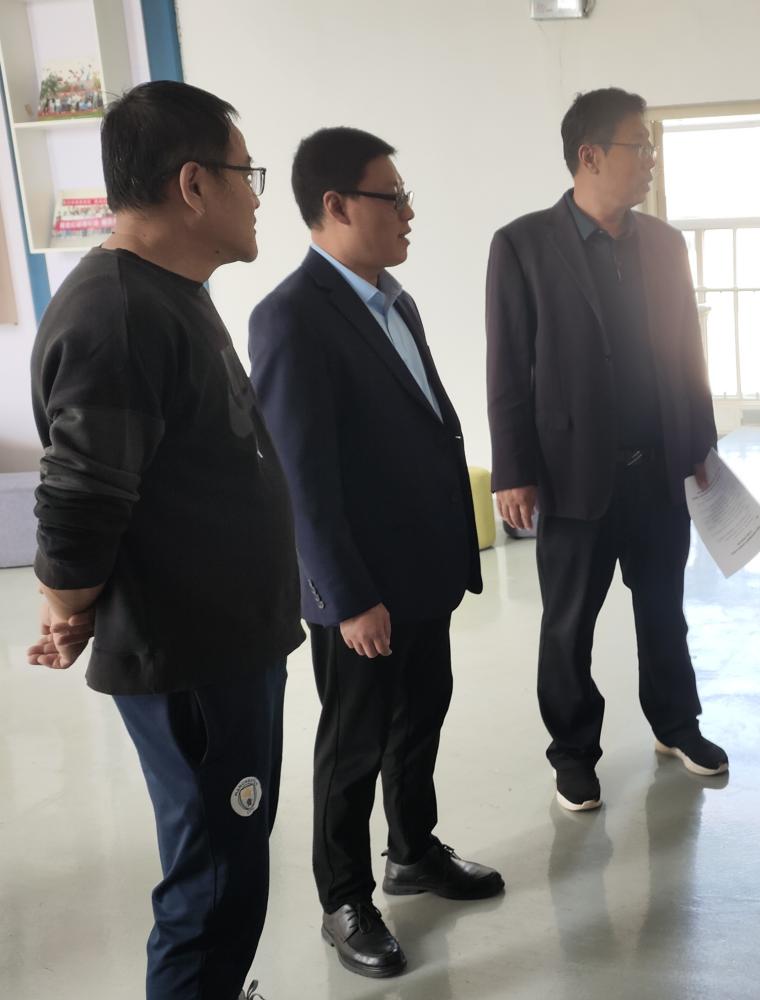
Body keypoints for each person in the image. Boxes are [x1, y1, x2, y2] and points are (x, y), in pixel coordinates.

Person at [28, 80, 298, 1000]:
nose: (254, 194)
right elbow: (77, 501)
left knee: (230, 857)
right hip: (192, 661)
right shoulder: (117, 313)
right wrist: (66, 602)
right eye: (245, 173)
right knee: (212, 884)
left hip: (225, 647)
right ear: (193, 184)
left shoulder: (166, 292)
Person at [248, 128, 500, 979]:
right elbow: (301, 478)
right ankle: (344, 898)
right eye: (393, 197)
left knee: (421, 715)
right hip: (361, 587)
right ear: (336, 205)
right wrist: (347, 596)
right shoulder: (290, 316)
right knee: (353, 744)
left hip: (423, 570)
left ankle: (413, 851)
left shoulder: (395, 302)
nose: (409, 213)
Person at [486, 87, 726, 812]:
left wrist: (700, 440)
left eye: (651, 147)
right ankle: (573, 753)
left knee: (664, 610)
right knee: (568, 627)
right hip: (571, 477)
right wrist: (514, 470)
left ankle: (676, 725)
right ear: (590, 155)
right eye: (639, 146)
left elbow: (687, 350)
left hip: (657, 469)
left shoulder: (664, 244)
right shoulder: (522, 244)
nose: (650, 159)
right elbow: (508, 366)